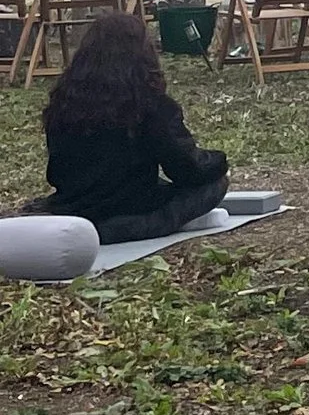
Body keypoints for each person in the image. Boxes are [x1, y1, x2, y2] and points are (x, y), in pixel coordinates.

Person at [26, 12, 228, 245]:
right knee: (214, 184)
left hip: (74, 204)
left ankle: (93, 225)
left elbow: (60, 169)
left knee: (155, 186)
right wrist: (218, 160)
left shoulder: (64, 99)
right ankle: (131, 227)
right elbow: (187, 168)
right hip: (130, 207)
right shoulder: (149, 101)